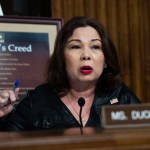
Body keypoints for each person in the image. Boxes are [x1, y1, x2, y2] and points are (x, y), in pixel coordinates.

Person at [0, 16, 141, 131]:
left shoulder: (122, 96)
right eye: (75, 46)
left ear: (105, 60)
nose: (86, 55)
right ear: (62, 57)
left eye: (95, 47)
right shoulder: (36, 100)